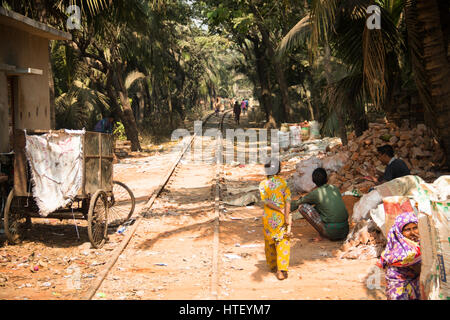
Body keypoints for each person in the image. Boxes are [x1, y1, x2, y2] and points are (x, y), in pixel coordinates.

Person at [291, 168, 349, 241]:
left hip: (331, 233)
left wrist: (287, 207)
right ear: (327, 178)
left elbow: (299, 202)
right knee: (321, 207)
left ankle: (323, 235)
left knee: (303, 207)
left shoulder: (316, 193)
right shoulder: (334, 188)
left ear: (313, 180)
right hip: (345, 231)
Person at [259, 159, 292, 280]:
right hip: (281, 217)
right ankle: (281, 270)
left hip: (268, 217)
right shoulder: (284, 183)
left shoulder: (263, 184)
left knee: (270, 241)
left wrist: (277, 208)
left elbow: (266, 202)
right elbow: (288, 201)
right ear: (279, 170)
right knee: (283, 242)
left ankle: (273, 265)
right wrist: (286, 215)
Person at [377, 211, 421, 300]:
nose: (412, 232)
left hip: (414, 280)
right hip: (399, 285)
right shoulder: (401, 250)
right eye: (407, 230)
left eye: (415, 228)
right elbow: (418, 265)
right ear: (400, 231)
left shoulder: (417, 243)